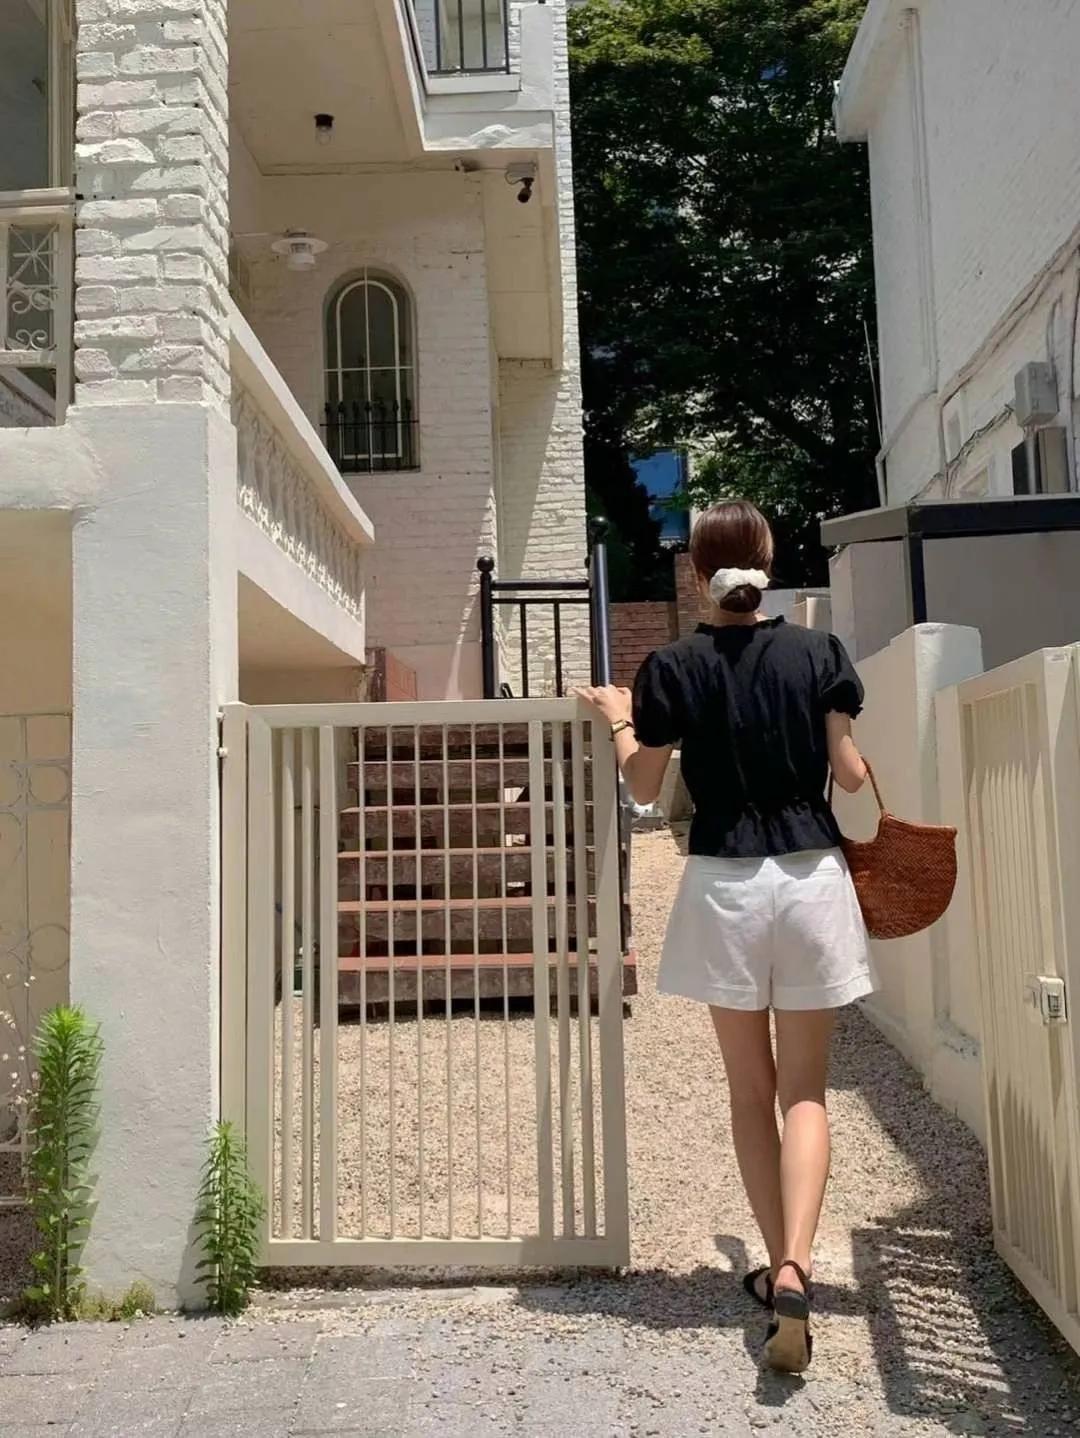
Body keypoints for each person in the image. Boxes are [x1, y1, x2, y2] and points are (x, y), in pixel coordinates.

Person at [577, 499, 875, 1374]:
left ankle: (777, 1267)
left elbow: (643, 784)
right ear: (768, 563)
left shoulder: (672, 665)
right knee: (806, 1093)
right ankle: (796, 1268)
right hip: (812, 879)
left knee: (751, 1091)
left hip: (725, 885)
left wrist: (618, 714)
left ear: (699, 574)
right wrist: (847, 751)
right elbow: (852, 776)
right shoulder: (819, 653)